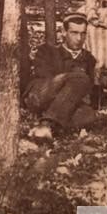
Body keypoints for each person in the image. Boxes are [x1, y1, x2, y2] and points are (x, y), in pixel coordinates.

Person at [25, 13, 98, 141]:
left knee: (89, 115)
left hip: (65, 104)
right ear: (64, 32)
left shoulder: (89, 59)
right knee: (81, 78)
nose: (79, 38)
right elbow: (46, 80)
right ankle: (48, 124)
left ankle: (48, 125)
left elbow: (90, 93)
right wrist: (72, 79)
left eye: (83, 33)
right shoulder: (47, 51)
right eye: (74, 33)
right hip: (42, 94)